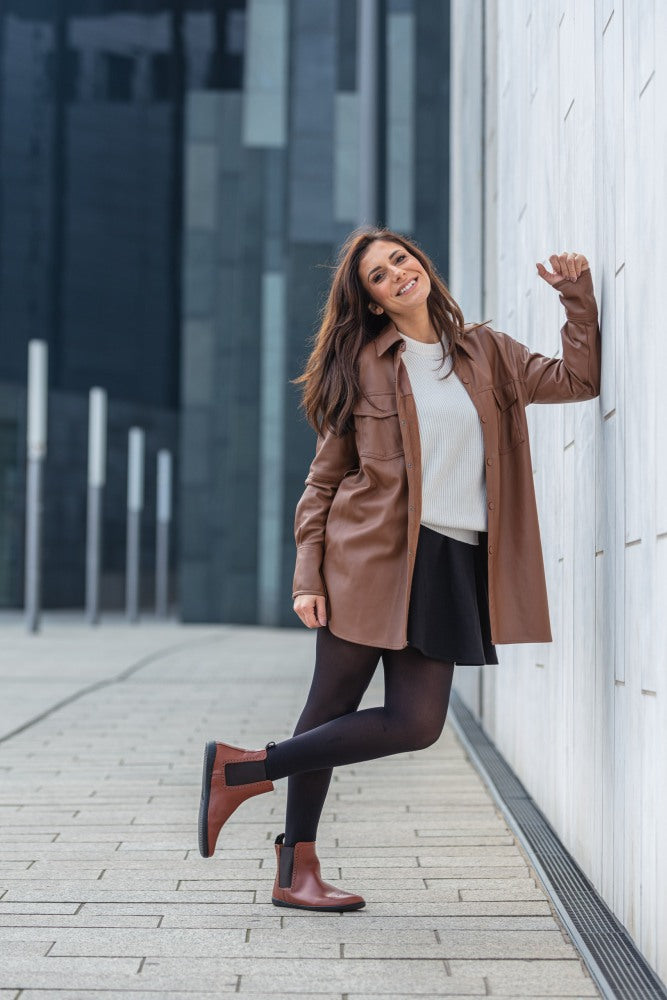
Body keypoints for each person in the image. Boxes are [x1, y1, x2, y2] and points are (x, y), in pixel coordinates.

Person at [198, 226, 601, 912]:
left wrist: (576, 301)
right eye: (378, 277)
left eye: (399, 261)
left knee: (416, 723)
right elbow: (322, 483)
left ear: (421, 265)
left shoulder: (489, 353)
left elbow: (577, 381)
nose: (395, 275)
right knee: (329, 707)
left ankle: (242, 769)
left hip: (450, 561)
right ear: (374, 302)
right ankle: (296, 872)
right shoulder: (361, 364)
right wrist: (307, 576)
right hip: (369, 559)